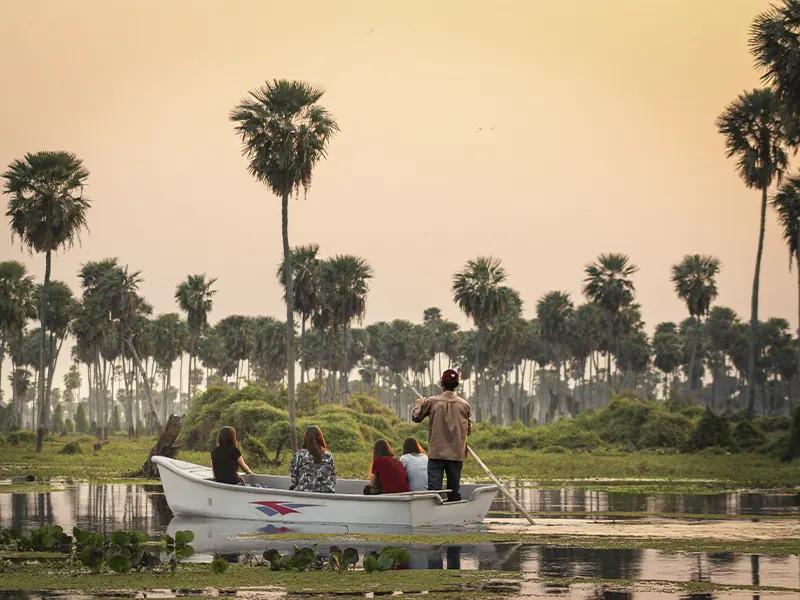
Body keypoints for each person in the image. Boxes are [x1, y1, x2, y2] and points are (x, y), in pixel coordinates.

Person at [411, 369, 471, 501]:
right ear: (456, 384)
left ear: (442, 384)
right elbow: (468, 430)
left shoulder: (432, 402)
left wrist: (419, 405)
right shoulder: (465, 405)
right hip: (456, 454)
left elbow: (416, 417)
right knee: (454, 492)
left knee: (434, 493)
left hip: (436, 454)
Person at [289, 425, 337, 493]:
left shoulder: (299, 455)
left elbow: (294, 478)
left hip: (303, 491)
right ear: (320, 437)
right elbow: (333, 477)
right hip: (327, 492)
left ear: (306, 438)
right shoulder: (328, 454)